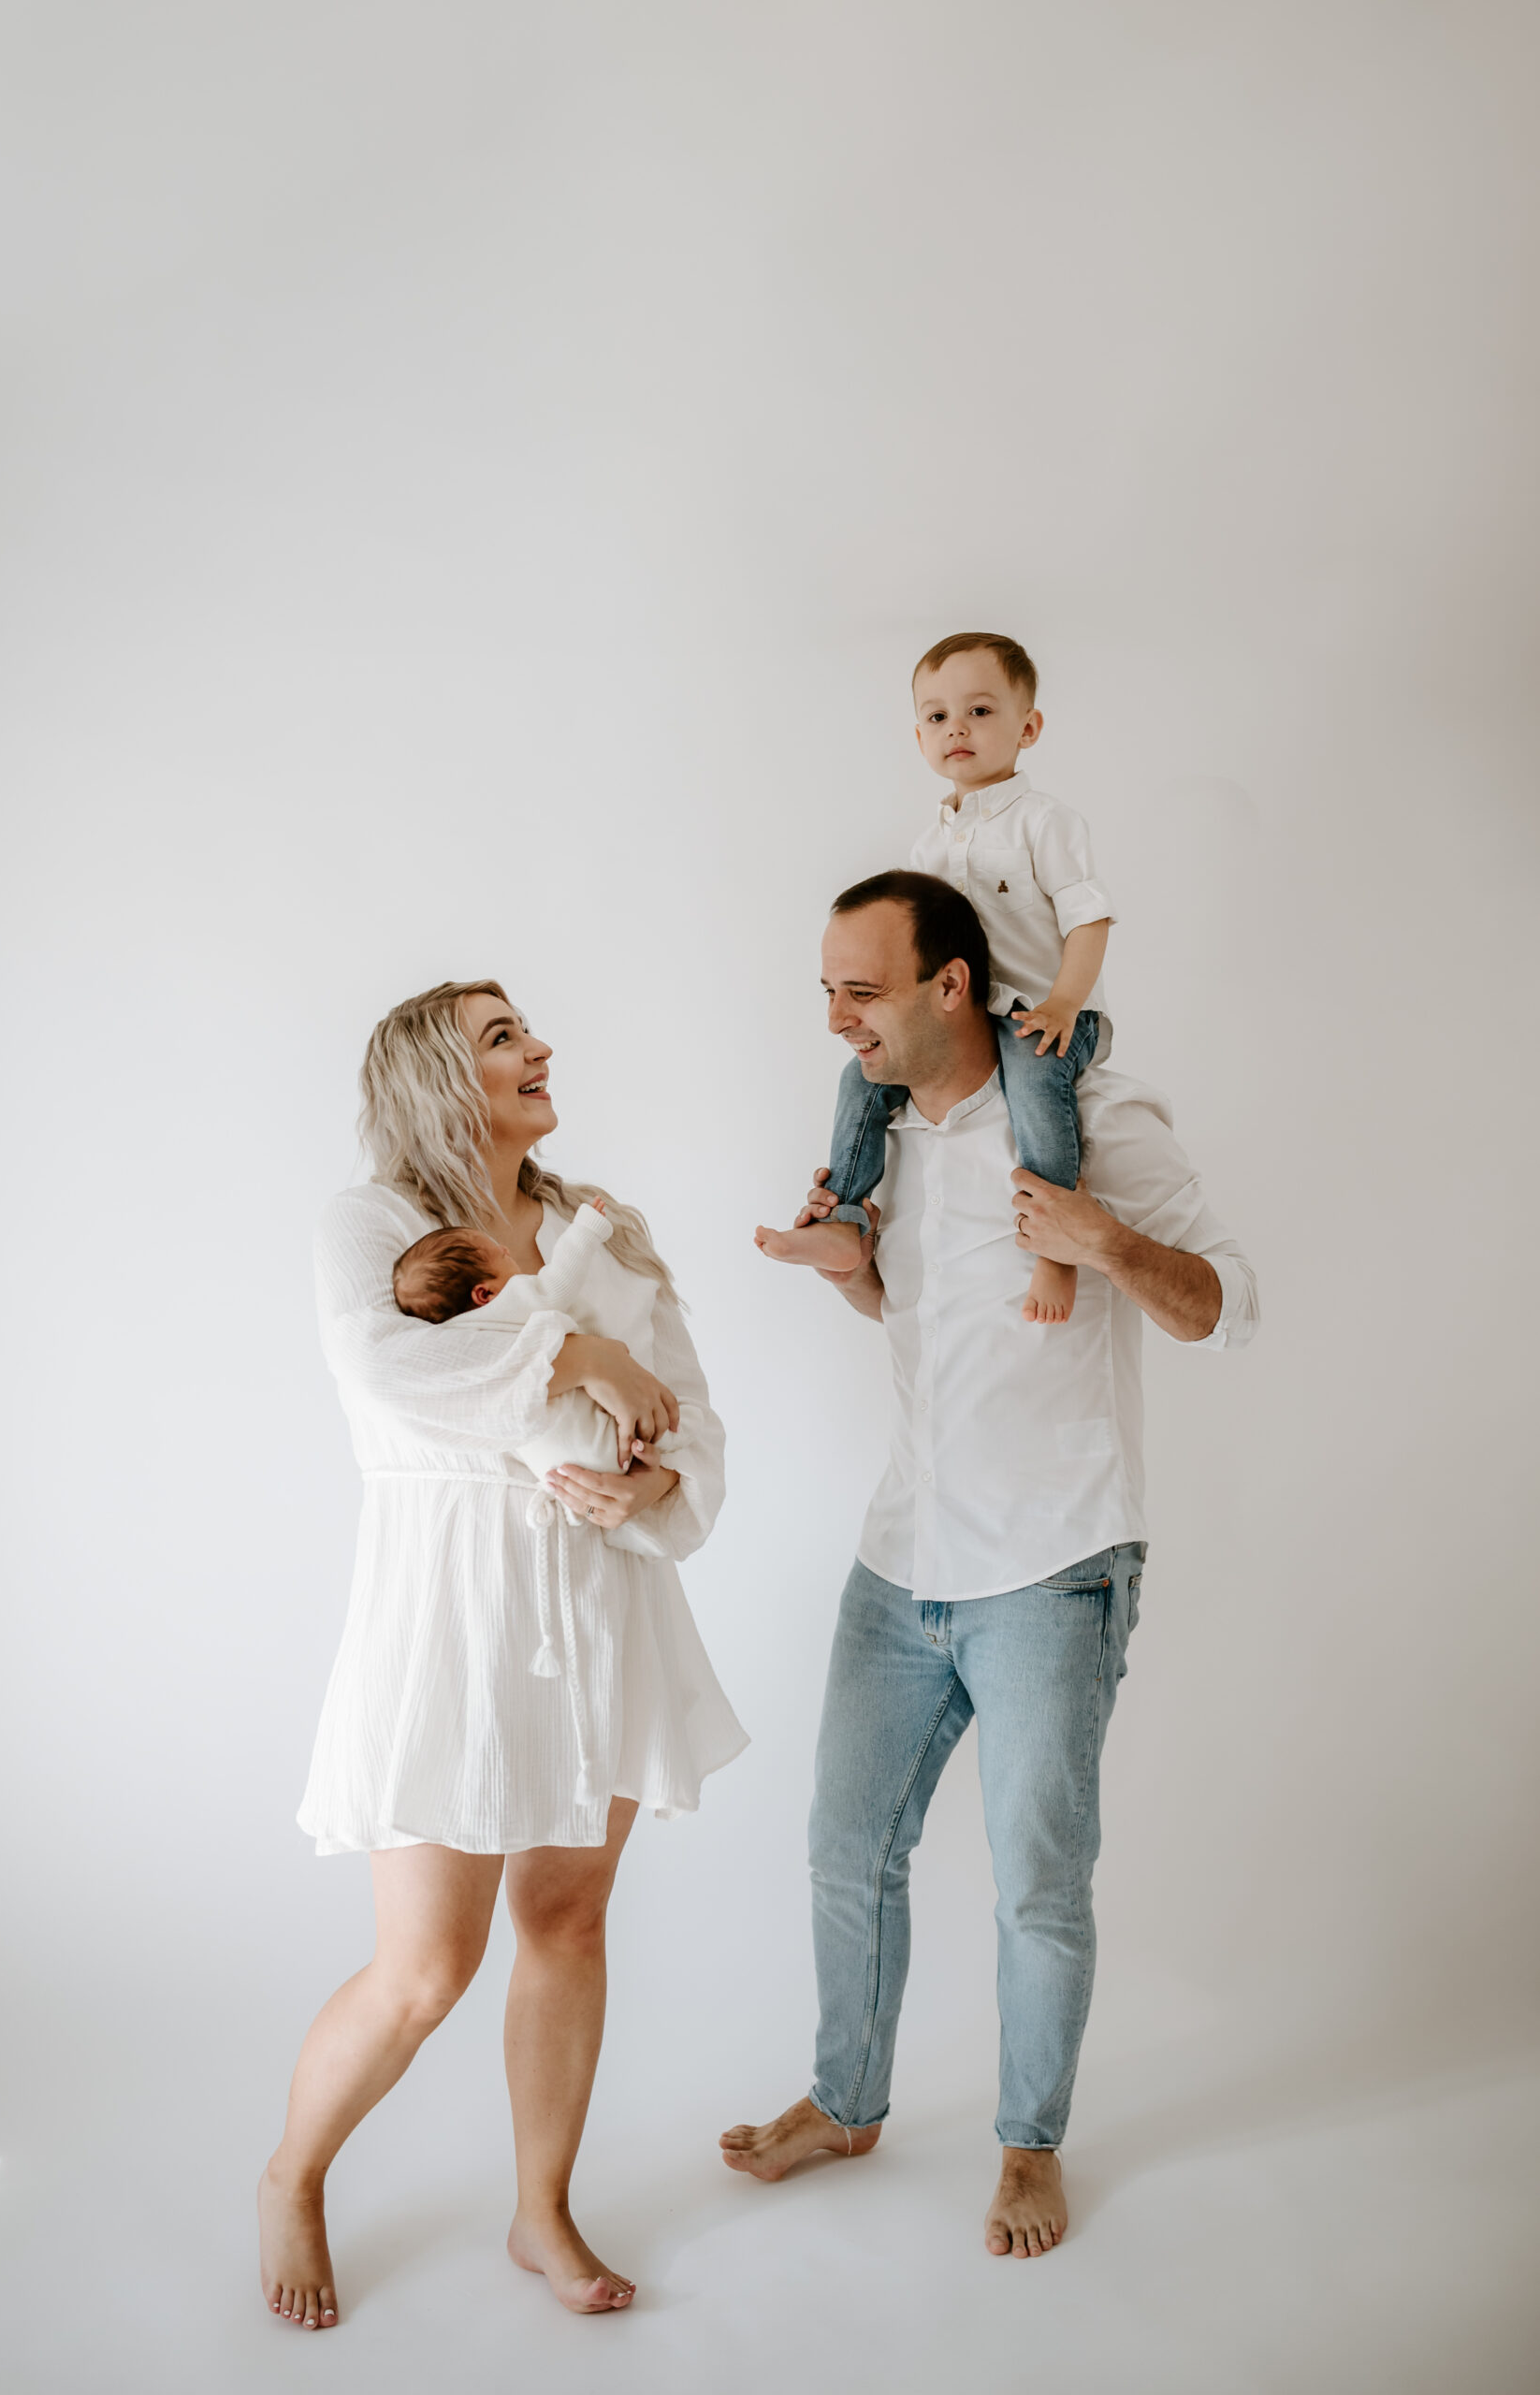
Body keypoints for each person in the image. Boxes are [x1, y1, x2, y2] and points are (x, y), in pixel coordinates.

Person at [722, 874, 1257, 2257]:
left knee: (1035, 1884)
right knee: (845, 1847)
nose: (835, 1020)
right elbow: (921, 1315)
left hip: (1053, 1565)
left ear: (950, 984)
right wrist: (846, 1270)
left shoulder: (1091, 1117)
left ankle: (1029, 2145)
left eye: (861, 991)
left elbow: (1226, 1305)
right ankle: (845, 2103)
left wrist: (1105, 1241)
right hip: (901, 1556)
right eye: (825, 991)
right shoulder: (886, 1135)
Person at [258, 980, 747, 2330]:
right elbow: (385, 1369)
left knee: (569, 1917)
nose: (539, 1048)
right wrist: (577, 1350)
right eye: (501, 1037)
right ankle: (292, 2175)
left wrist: (656, 1484)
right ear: (433, 1076)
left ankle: (541, 2208)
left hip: (600, 1596)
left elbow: (691, 1413)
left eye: (526, 1029)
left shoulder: (606, 1230)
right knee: (425, 1968)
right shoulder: (372, 1224)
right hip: (451, 1609)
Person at [756, 632, 1115, 1325]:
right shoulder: (929, 847)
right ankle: (846, 1218)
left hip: (1045, 1015)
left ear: (1028, 728)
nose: (957, 729)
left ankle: (1055, 1245)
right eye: (937, 716)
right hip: (970, 1018)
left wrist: (1065, 1003)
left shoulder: (1045, 823)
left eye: (980, 711)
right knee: (860, 1081)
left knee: (1034, 1084)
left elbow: (1089, 920)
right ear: (919, 736)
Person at [392, 1198, 698, 1525]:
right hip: (608, 1449)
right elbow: (557, 1285)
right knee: (658, 1428)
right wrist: (585, 1230)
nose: (506, 1250)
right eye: (499, 1254)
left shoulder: (453, 1337)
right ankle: (673, 1442)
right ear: (484, 1294)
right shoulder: (508, 1303)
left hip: (554, 1463)